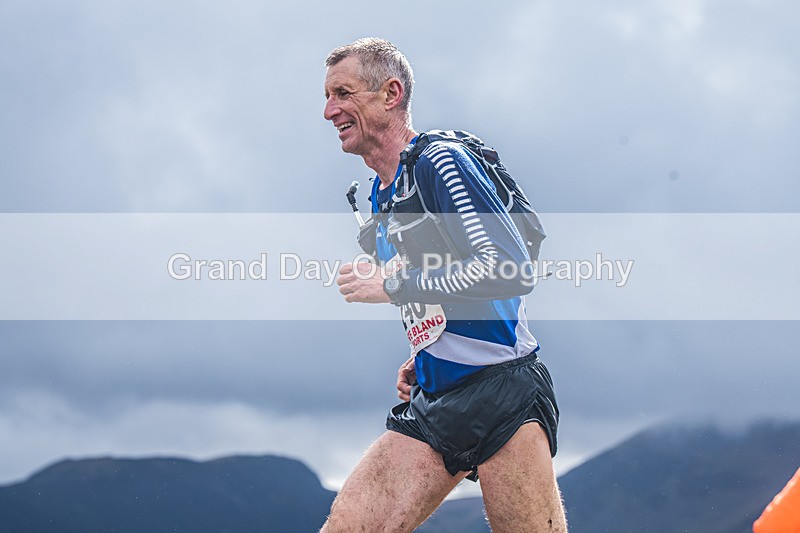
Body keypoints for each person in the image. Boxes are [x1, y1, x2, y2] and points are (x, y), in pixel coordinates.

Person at [322, 37, 567, 533]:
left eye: (344, 94)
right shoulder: (371, 197)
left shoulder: (441, 161)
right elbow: (440, 288)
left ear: (390, 94)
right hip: (434, 400)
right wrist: (429, 346)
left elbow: (508, 268)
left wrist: (392, 288)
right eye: (328, 97)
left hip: (504, 395)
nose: (330, 111)